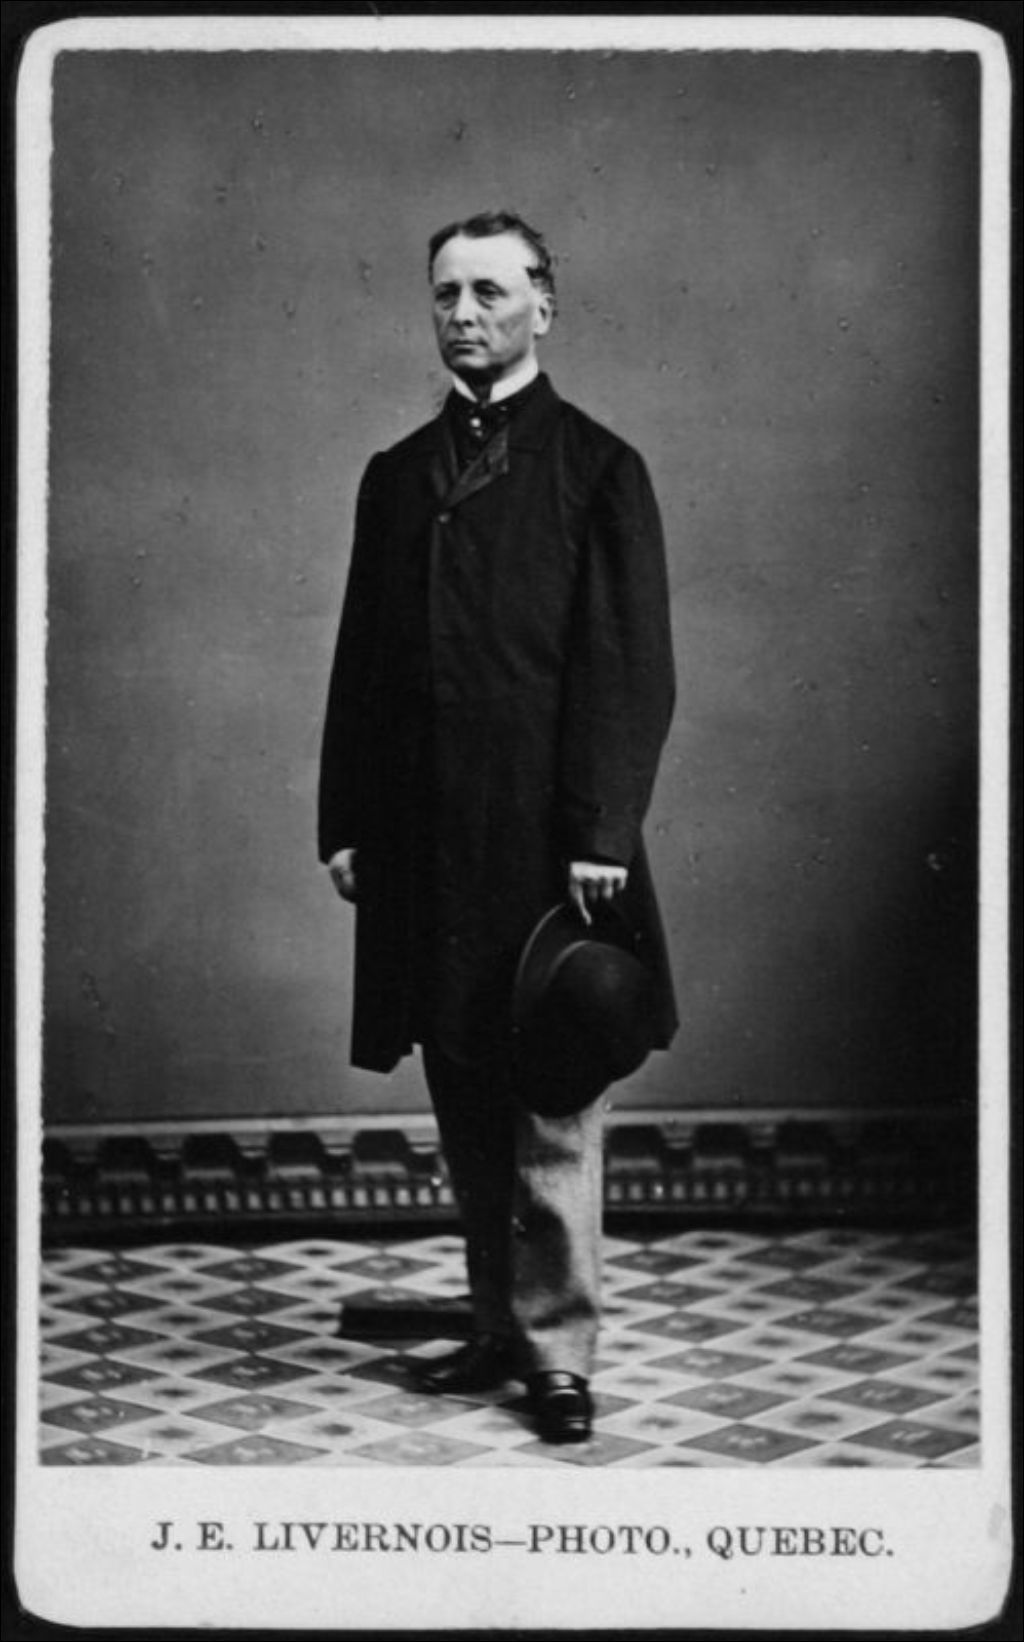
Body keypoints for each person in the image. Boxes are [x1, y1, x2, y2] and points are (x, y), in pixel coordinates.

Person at [319, 210, 677, 1443]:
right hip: (423, 842)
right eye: (446, 295)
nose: (464, 314)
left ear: (543, 306)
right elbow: (361, 666)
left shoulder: (599, 468)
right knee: (462, 1082)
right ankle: (494, 1324)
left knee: (553, 1088)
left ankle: (559, 1352)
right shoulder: (395, 476)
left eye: (488, 292)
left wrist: (602, 832)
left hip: (548, 845)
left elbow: (630, 667)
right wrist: (346, 821)